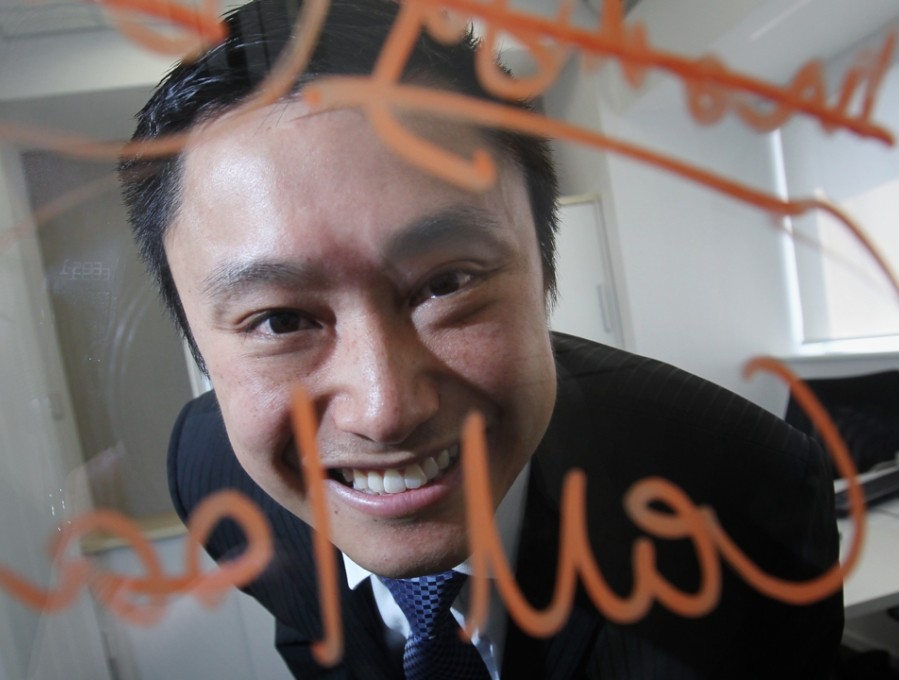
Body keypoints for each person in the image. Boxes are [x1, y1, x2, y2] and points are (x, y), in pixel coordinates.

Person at [119, 0, 844, 677]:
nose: (384, 411)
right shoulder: (209, 472)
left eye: (447, 284)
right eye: (280, 320)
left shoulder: (745, 493)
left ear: (543, 279)